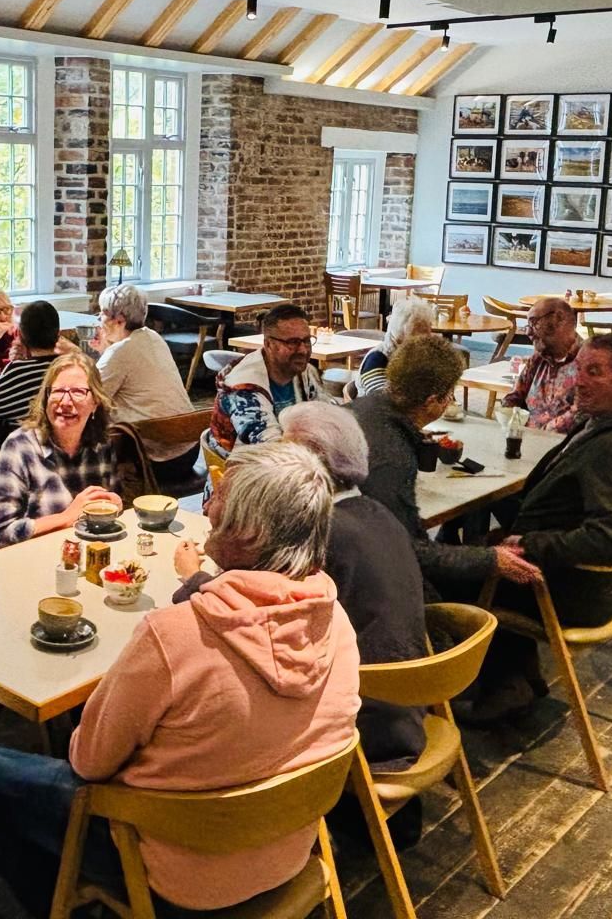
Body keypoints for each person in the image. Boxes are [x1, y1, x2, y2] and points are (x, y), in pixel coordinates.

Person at [0, 441, 360, 916]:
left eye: (221, 496)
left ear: (249, 531)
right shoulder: (337, 625)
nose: (208, 502)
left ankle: (66, 907)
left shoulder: (175, 637)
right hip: (285, 853)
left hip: (172, 874)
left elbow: (88, 762)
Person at [468, 333, 612, 724]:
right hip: (591, 586)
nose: (579, 380)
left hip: (571, 591)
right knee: (481, 542)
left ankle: (481, 685)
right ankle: (515, 679)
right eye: (579, 369)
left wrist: (530, 541)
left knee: (451, 571)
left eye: (595, 372)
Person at [279, 401, 429, 772]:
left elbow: (277, 627)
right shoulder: (377, 514)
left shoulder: (323, 534)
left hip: (364, 729)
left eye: (285, 451)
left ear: (313, 461)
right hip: (410, 708)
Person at [352, 335, 541, 598]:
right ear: (433, 401)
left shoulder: (364, 407)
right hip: (363, 576)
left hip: (349, 548)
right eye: (449, 394)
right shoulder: (392, 454)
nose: (451, 400)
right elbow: (407, 550)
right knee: (484, 596)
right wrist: (491, 559)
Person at [0, 354, 122, 550]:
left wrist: (114, 506)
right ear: (46, 399)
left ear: (95, 402)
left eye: (78, 392)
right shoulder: (20, 448)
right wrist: (66, 518)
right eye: (58, 391)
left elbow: (105, 517)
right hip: (33, 563)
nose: (65, 401)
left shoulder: (102, 444)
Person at [92, 283, 198, 474]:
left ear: (119, 320)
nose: (99, 319)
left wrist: (74, 351)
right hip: (189, 449)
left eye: (103, 313)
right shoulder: (153, 337)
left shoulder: (119, 352)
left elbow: (92, 396)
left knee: (93, 424)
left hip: (157, 457)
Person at [206, 303, 322, 469]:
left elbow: (327, 416)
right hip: (241, 478)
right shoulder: (242, 389)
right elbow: (272, 448)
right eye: (293, 342)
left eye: (306, 341)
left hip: (288, 467)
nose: (303, 350)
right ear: (268, 345)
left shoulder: (305, 373)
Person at [0, 300, 64, 438]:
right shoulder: (71, 368)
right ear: (58, 334)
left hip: (26, 452)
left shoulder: (16, 372)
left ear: (21, 335)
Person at [501, 297, 583, 433]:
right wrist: (508, 415)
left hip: (564, 446)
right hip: (527, 439)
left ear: (559, 318)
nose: (528, 332)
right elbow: (515, 396)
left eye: (534, 323)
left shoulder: (587, 361)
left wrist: (540, 433)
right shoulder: (538, 358)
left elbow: (582, 414)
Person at [357, 297, 436, 396]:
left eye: (429, 329)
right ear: (399, 334)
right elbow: (381, 401)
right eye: (421, 332)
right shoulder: (377, 359)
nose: (429, 336)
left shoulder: (419, 357)